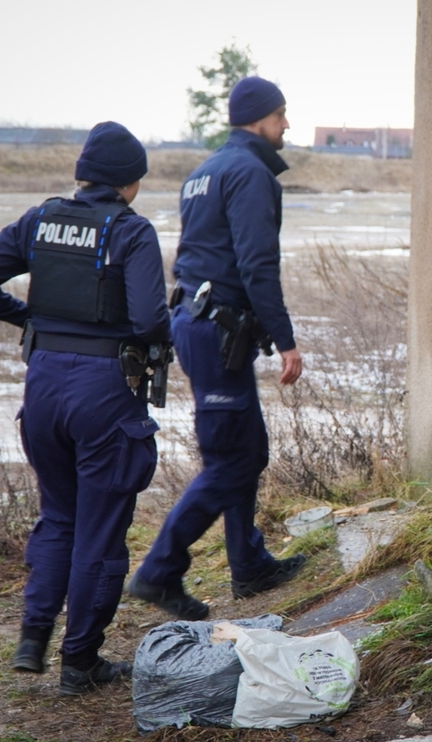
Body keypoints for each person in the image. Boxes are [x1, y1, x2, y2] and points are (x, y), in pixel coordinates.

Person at [0, 122, 169, 695]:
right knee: (99, 531)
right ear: (131, 182)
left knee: (58, 517)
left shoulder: (39, 220)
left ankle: (32, 638)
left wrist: (31, 322)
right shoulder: (133, 230)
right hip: (103, 392)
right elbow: (148, 321)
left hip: (42, 387)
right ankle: (80, 663)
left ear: (82, 175)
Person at [126, 76, 305, 620]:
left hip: (199, 323)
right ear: (258, 119)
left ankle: (248, 564)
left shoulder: (204, 172)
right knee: (231, 460)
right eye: (281, 116)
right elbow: (256, 265)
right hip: (218, 329)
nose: (287, 125)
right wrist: (286, 341)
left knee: (246, 450)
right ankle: (159, 572)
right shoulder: (250, 172)